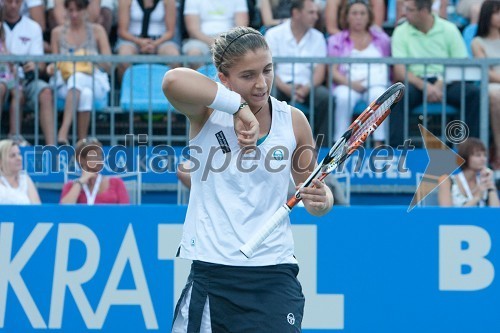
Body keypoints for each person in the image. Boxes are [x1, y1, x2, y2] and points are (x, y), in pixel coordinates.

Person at [162, 26, 334, 331]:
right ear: (223, 77)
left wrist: (324, 200)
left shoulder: (293, 121)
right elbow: (172, 81)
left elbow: (312, 191)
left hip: (274, 275)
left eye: (267, 70)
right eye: (248, 75)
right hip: (213, 274)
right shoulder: (205, 114)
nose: (261, 83)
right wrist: (239, 108)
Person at [390, 0, 480, 147]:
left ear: (424, 11)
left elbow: (460, 63)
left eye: (410, 10)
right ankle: (396, 153)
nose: (404, 13)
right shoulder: (400, 31)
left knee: (474, 94)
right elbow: (400, 71)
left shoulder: (449, 29)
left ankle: (470, 152)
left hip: (447, 81)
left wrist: (439, 83)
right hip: (415, 82)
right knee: (397, 97)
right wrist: (425, 86)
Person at [265, 0, 332, 142]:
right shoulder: (273, 34)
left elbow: (320, 72)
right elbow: (267, 69)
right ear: (296, 13)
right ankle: (270, 141)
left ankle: (322, 147)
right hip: (279, 84)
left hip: (308, 86)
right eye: (311, 12)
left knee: (326, 98)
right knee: (268, 96)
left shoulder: (318, 37)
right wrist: (286, 88)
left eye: (316, 12)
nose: (316, 16)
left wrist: (306, 89)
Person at [47, 0, 111, 145]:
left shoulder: (97, 31)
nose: (74, 14)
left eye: (78, 10)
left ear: (86, 10)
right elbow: (55, 62)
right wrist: (51, 67)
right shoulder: (57, 33)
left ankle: (63, 131)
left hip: (94, 79)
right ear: (66, 11)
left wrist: (92, 58)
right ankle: (81, 142)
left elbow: (108, 65)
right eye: (71, 10)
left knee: (78, 78)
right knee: (84, 91)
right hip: (64, 82)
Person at [327, 0, 390, 145]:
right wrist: (351, 84)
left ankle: (378, 143)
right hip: (347, 84)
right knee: (344, 97)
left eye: (362, 13)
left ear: (369, 17)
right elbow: (333, 71)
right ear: (347, 17)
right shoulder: (337, 40)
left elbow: (388, 68)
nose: (358, 17)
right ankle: (339, 144)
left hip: (375, 85)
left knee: (379, 96)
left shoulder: (382, 40)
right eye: (354, 13)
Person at [3, 0, 56, 145]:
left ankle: (52, 148)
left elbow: (41, 64)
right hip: (3, 79)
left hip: (26, 80)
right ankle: (13, 138)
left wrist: (35, 66)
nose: (13, 5)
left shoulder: (33, 27)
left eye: (17, 1)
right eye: (9, 1)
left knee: (45, 92)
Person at [116, 0, 179, 81]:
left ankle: (173, 91)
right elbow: (122, 31)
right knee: (124, 56)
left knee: (173, 56)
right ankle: (125, 90)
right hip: (132, 40)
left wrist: (154, 44)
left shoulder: (169, 1)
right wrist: (140, 42)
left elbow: (170, 32)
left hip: (161, 40)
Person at [471, 0, 500, 170]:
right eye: (496, 12)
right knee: (496, 95)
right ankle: (498, 149)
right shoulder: (478, 42)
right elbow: (485, 72)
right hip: (491, 85)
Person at [60, 138, 130, 204]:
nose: (99, 159)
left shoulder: (116, 183)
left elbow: (126, 211)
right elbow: (63, 210)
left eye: (100, 155)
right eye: (94, 156)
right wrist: (81, 182)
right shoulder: (70, 186)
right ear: (81, 159)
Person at [438, 137, 499, 207]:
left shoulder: (484, 181)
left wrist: (491, 187)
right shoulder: (447, 181)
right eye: (478, 155)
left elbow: (496, 213)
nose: (483, 159)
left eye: (485, 155)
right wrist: (476, 197)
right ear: (465, 157)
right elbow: (446, 215)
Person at [182, 0, 249, 58]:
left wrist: (226, 42)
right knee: (194, 53)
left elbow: (241, 27)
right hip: (201, 40)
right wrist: (216, 43)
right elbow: (193, 30)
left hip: (230, 39)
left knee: (243, 52)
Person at [0, 139, 41, 204]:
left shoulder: (25, 179)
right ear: (1, 161)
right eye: (12, 156)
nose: (19, 158)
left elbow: (37, 208)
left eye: (19, 154)